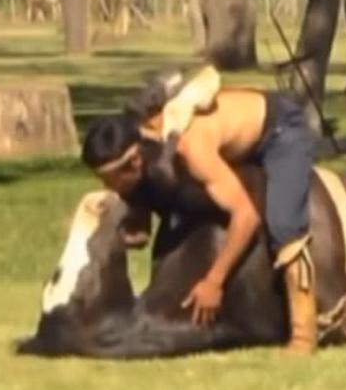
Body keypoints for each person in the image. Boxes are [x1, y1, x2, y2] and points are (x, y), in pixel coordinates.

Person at [80, 67, 319, 355]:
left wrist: (214, 282)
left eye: (110, 180)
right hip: (231, 139)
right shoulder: (145, 144)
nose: (107, 187)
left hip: (279, 129)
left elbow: (246, 216)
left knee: (284, 224)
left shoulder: (191, 148)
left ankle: (304, 335)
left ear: (134, 162)